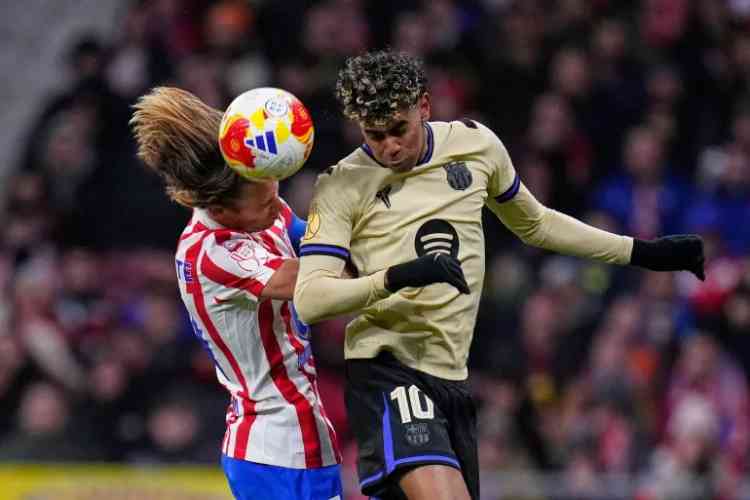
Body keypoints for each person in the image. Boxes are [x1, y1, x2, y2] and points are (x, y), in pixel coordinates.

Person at [293, 51, 705, 500]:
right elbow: (310, 299)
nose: (389, 146)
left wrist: (642, 252)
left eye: (398, 130)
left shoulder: (475, 146)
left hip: (452, 379)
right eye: (375, 135)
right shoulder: (340, 184)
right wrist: (396, 277)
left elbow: (537, 224)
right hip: (388, 371)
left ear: (424, 107)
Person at [130, 87, 342, 500]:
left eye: (275, 191)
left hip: (300, 437)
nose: (276, 209)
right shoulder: (213, 252)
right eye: (265, 205)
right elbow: (322, 279)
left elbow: (316, 241)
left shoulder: (256, 205)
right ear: (223, 210)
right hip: (275, 449)